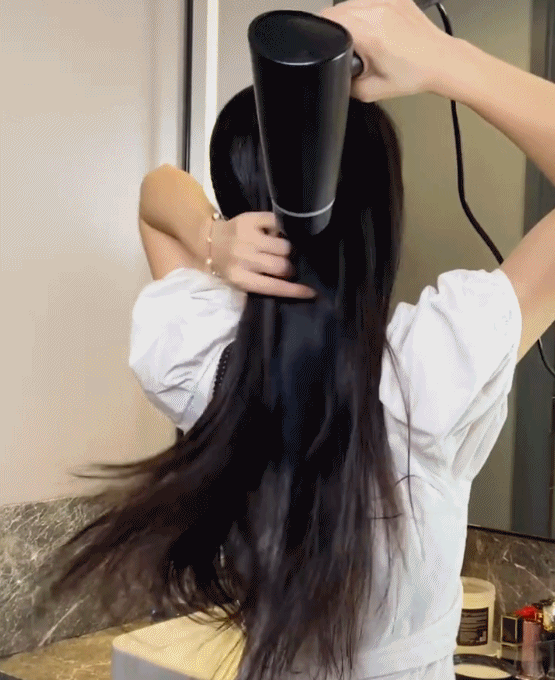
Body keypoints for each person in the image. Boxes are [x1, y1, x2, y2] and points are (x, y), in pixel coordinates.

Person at [43, 1, 555, 680]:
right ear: (382, 214)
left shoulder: (206, 364)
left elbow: (157, 197)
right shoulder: (430, 370)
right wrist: (443, 61)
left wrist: (210, 239)